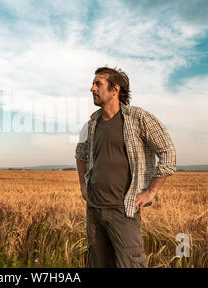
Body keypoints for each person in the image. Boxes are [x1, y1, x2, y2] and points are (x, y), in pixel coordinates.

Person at [75, 66, 176, 268]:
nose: (92, 89)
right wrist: (83, 185)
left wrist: (150, 192)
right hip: (94, 209)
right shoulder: (92, 123)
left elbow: (168, 152)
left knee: (131, 264)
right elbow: (80, 154)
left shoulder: (138, 118)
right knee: (97, 263)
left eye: (98, 84)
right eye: (93, 84)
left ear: (115, 89)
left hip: (123, 210)